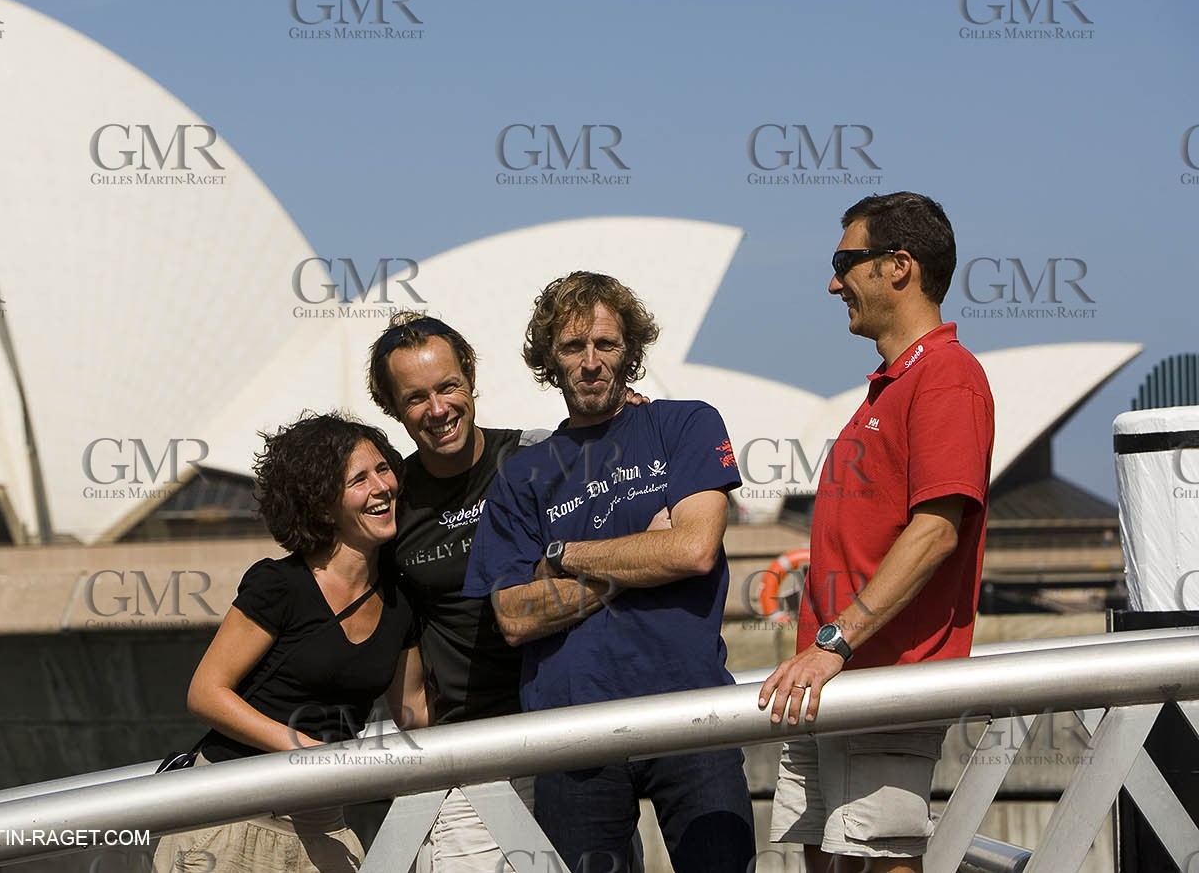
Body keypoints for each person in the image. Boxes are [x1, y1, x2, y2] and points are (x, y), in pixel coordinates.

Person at [462, 271, 756, 873]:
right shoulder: (522, 475)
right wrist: (645, 552)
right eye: (573, 347)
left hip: (692, 714)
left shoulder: (685, 424)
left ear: (630, 350)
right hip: (573, 732)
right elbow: (514, 616)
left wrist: (562, 555)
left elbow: (694, 550)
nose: (591, 362)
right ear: (550, 359)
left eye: (606, 344)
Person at [759, 192, 995, 873]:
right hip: (827, 679)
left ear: (898, 266)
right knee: (825, 859)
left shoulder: (947, 375)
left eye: (844, 263)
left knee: (882, 860)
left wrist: (835, 642)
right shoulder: (893, 383)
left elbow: (936, 533)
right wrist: (823, 654)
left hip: (880, 681)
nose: (833, 284)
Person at [367, 312, 616, 872]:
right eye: (415, 398)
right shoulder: (391, 503)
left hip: (570, 733)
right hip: (469, 756)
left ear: (471, 378)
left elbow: (612, 550)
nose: (438, 409)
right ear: (391, 407)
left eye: (448, 386)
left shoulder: (537, 457)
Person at [154, 413, 429, 873]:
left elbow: (414, 710)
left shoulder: (402, 601)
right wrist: (308, 751)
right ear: (323, 508)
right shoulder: (280, 585)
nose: (382, 487)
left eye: (383, 469)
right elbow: (206, 693)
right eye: (359, 480)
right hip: (229, 820)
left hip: (325, 827)